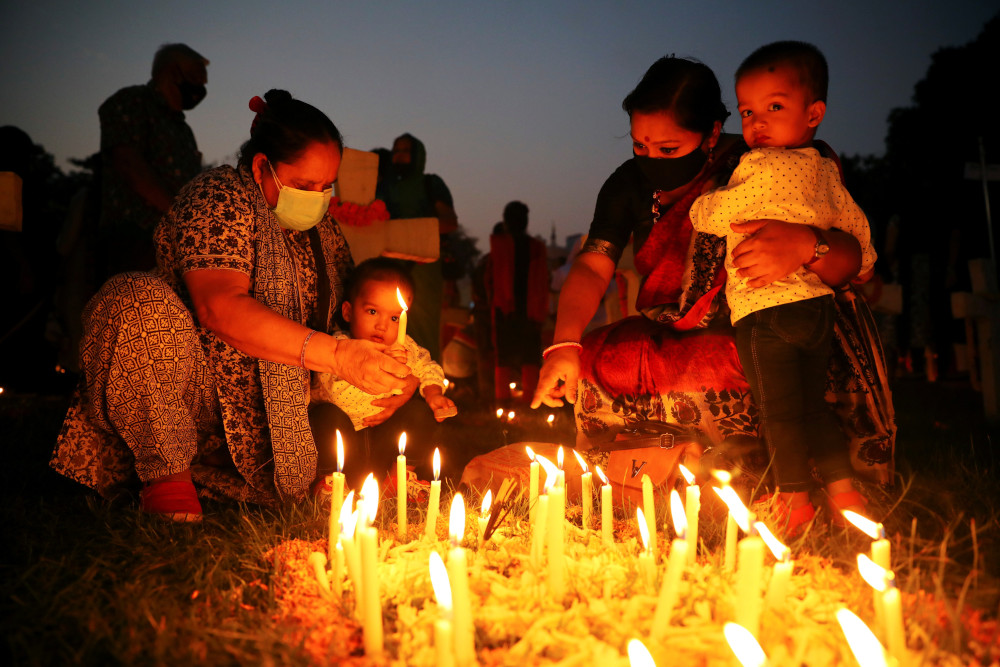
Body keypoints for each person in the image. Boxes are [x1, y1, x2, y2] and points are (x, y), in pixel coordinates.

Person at [531, 56, 895, 507]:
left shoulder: (770, 162)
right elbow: (592, 265)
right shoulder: (626, 184)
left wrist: (809, 244)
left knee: (749, 356)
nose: (651, 162)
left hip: (768, 314)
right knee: (599, 359)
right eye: (639, 147)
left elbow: (855, 261)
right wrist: (564, 345)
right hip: (676, 326)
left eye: (667, 149)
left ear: (711, 135)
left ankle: (785, 479)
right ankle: (649, 469)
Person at [51, 90, 414, 521]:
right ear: (263, 166)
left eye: (325, 187)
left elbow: (354, 314)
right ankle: (168, 474)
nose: (317, 198)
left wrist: (397, 373)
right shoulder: (218, 197)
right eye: (303, 185)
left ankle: (296, 478)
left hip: (281, 422)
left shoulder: (325, 232)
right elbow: (219, 306)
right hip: (196, 391)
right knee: (133, 299)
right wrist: (338, 355)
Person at [688, 42, 875, 532]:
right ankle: (844, 492)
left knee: (780, 414)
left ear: (813, 113)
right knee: (814, 407)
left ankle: (793, 502)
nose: (758, 124)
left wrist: (702, 206)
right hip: (815, 310)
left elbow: (715, 216)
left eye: (774, 107)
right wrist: (867, 263)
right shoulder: (825, 172)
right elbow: (855, 227)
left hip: (764, 311)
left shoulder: (759, 166)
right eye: (748, 111)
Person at [310, 258, 457, 488]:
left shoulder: (405, 348)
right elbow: (333, 392)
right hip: (347, 443)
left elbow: (429, 368)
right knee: (325, 417)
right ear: (348, 312)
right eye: (372, 311)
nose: (382, 326)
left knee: (419, 412)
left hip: (385, 446)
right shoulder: (339, 345)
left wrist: (434, 394)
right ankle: (329, 484)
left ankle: (399, 480)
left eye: (394, 318)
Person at [98, 43, 208, 275]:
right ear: (172, 72)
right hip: (136, 237)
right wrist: (179, 214)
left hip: (176, 241)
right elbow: (129, 166)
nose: (202, 85)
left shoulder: (182, 129)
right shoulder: (132, 102)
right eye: (197, 76)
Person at [380, 133, 458, 362]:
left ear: (418, 155)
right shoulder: (384, 187)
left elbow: (449, 221)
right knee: (387, 326)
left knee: (424, 326)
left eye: (405, 150)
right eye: (396, 151)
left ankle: (427, 386)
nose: (399, 156)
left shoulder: (431, 183)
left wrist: (412, 233)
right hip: (388, 264)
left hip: (423, 267)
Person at [489, 201, 550, 406]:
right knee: (525, 356)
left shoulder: (506, 246)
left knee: (508, 356)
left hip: (513, 308)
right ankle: (528, 401)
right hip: (519, 308)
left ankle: (505, 400)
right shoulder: (529, 247)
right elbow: (541, 280)